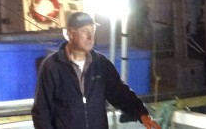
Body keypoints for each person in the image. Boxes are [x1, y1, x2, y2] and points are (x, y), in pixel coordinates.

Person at [31, 12, 161, 129]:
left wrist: (142, 114)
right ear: (69, 34)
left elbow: (120, 93)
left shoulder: (101, 63)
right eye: (84, 31)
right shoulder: (52, 66)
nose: (90, 36)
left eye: (92, 30)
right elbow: (42, 112)